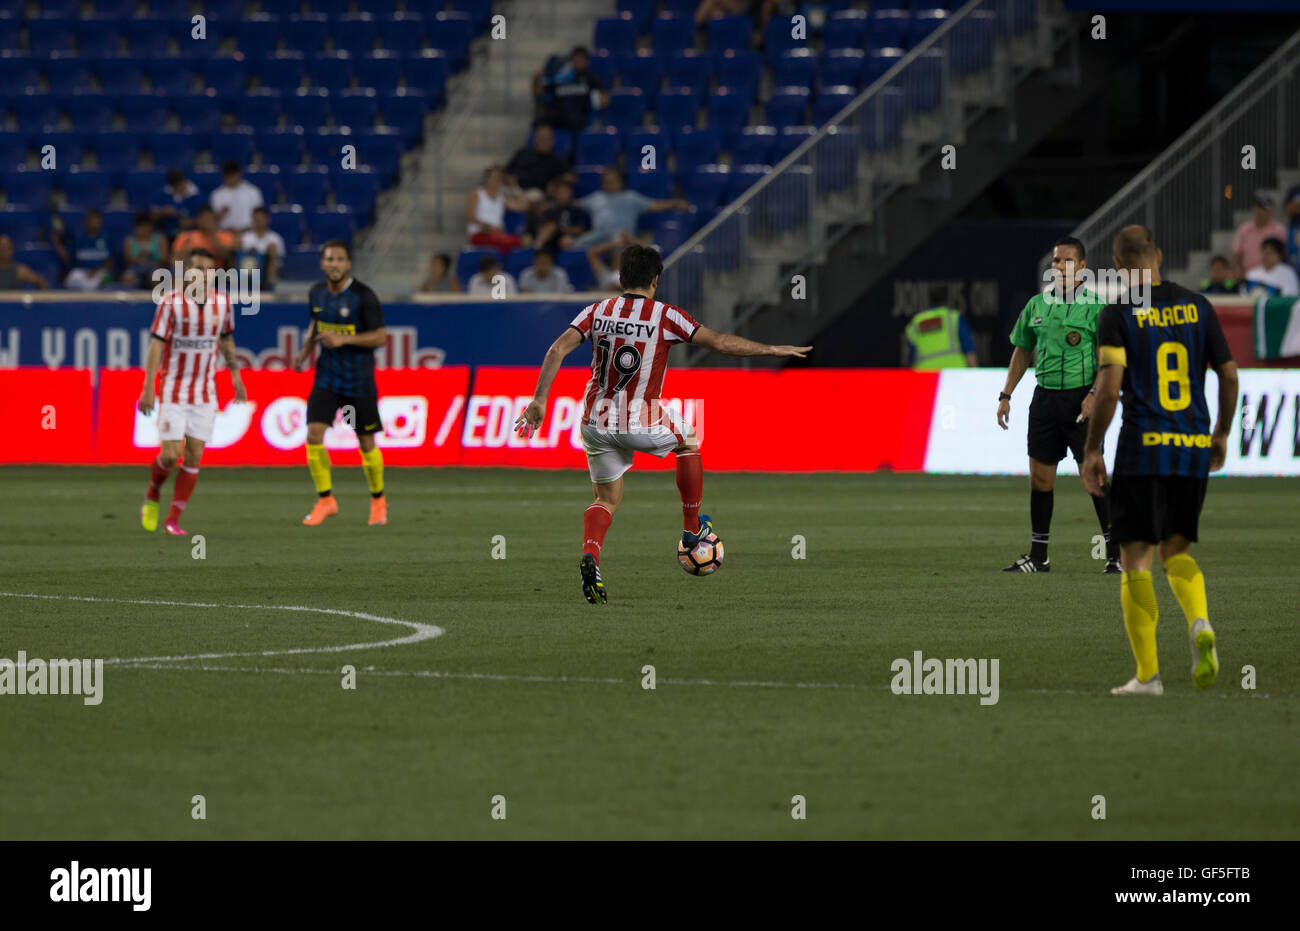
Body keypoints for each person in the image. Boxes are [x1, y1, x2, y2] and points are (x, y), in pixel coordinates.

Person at [513, 243, 811, 605]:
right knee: (688, 440)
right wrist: (769, 350)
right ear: (656, 281)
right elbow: (717, 341)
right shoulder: (666, 315)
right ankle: (690, 531)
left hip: (595, 420)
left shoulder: (597, 310)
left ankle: (591, 554)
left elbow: (556, 350)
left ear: (621, 278)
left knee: (605, 500)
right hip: (640, 417)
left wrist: (540, 400)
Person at [1081, 225, 1238, 696]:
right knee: (1178, 552)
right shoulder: (1200, 306)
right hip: (1191, 446)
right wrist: (1222, 434)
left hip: (1143, 447)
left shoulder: (1117, 314)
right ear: (1160, 255)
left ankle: (1148, 676)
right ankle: (1199, 621)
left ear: (1119, 267)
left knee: (1135, 560)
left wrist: (1092, 450)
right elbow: (1229, 376)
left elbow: (1109, 389)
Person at [997, 236, 1118, 574]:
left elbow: (1107, 361)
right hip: (1045, 399)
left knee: (1093, 476)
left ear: (1081, 267)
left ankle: (1115, 553)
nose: (1059, 267)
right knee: (1040, 479)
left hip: (1081, 399)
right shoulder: (1036, 305)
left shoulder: (1096, 308)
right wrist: (1006, 395)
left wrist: (1094, 394)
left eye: (1066, 261)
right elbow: (1022, 350)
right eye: (1055, 261)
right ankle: (1039, 557)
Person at [138, 248, 247, 536]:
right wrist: (148, 388)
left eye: (208, 270)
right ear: (187, 272)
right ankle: (153, 491)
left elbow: (226, 341)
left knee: (194, 456)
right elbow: (156, 346)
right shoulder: (170, 303)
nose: (202, 274)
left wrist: (236, 377)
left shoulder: (223, 303)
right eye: (196, 268)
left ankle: (173, 519)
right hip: (173, 389)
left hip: (205, 393)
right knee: (172, 456)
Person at [292, 240, 389, 527]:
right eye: (330, 259)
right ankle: (326, 500)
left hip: (358, 382)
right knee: (313, 435)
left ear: (348, 264)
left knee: (366, 442)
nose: (334, 264)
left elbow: (381, 337)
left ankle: (378, 500)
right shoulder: (317, 293)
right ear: (322, 263)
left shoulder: (363, 296)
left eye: (340, 260)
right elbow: (316, 325)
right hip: (327, 379)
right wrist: (303, 352)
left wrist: (344, 339)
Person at [575, 168, 690, 250]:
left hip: (623, 239)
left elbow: (655, 205)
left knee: (621, 247)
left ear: (620, 182)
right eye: (606, 181)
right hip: (598, 237)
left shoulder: (631, 197)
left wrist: (676, 203)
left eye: (612, 181)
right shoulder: (596, 197)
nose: (609, 184)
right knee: (572, 246)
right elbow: (574, 205)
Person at [534, 46, 608, 136]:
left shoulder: (590, 78)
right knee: (540, 124)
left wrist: (599, 102)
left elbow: (604, 98)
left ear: (587, 62)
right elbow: (540, 91)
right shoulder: (561, 77)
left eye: (582, 61)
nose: (579, 63)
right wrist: (536, 79)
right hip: (558, 117)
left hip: (579, 118)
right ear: (572, 61)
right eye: (576, 60)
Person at [466, 165, 530, 255]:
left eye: (500, 178)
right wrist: (490, 227)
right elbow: (470, 217)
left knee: (523, 241)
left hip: (498, 235)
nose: (497, 181)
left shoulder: (501, 198)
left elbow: (523, 207)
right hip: (480, 233)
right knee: (505, 242)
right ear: (486, 178)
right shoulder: (477, 194)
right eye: (494, 177)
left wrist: (514, 187)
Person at [505, 124, 573, 200]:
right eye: (540, 138)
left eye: (546, 138)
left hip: (537, 194)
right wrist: (508, 179)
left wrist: (555, 182)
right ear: (535, 139)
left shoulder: (558, 159)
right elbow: (506, 171)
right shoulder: (523, 153)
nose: (543, 141)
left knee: (534, 197)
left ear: (552, 140)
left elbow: (571, 177)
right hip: (514, 188)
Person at [904, 301, 978, 368]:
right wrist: (975, 374)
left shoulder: (916, 321)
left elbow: (911, 357)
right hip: (953, 373)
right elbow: (969, 349)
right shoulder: (953, 317)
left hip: (925, 374)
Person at [1231, 194, 1286, 280]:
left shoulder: (1279, 230)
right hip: (1248, 276)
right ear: (1254, 209)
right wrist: (1237, 269)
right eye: (1259, 208)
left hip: (1272, 277)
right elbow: (1236, 254)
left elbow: (1282, 254)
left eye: (1264, 209)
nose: (1261, 211)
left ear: (1271, 211)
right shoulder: (1244, 229)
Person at [62, 208, 113, 291]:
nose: (94, 223)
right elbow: (71, 261)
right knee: (73, 275)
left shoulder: (106, 239)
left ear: (100, 222)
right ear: (85, 222)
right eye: (91, 220)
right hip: (82, 274)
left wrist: (96, 271)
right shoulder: (78, 239)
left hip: (99, 273)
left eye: (96, 220)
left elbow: (110, 261)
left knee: (105, 278)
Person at [534, 179, 590, 252]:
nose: (561, 195)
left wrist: (562, 229)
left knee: (565, 240)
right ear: (555, 194)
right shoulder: (550, 210)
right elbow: (543, 227)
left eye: (564, 193)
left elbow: (580, 229)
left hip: (571, 236)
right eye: (559, 193)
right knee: (551, 226)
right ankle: (535, 247)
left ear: (570, 193)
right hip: (553, 236)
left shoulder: (577, 210)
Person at [237, 206, 285, 290]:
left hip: (265, 272)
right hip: (247, 270)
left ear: (267, 219)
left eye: (260, 219)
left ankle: (269, 284)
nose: (258, 222)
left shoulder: (275, 238)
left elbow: (278, 260)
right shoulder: (245, 237)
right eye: (256, 219)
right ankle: (237, 283)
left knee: (272, 250)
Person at [172, 205, 237, 268]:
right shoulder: (185, 236)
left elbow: (225, 256)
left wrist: (211, 232)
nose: (206, 221)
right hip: (191, 274)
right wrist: (186, 250)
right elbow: (174, 261)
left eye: (209, 218)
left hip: (217, 274)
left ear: (214, 219)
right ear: (197, 220)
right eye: (203, 217)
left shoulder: (225, 236)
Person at [210, 159, 263, 234]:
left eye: (232, 175)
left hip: (249, 234)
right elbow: (211, 222)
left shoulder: (253, 192)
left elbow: (260, 218)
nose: (230, 179)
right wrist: (219, 216)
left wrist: (244, 230)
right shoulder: (216, 195)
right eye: (227, 176)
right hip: (225, 235)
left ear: (239, 174)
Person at [122, 211, 169, 288]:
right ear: (136, 228)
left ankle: (156, 298)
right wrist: (139, 258)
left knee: (155, 276)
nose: (144, 229)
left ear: (151, 227)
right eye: (141, 227)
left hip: (154, 267)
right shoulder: (129, 241)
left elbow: (164, 259)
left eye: (146, 226)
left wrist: (151, 259)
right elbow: (127, 260)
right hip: (136, 268)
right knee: (128, 277)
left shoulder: (160, 239)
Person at [152, 168, 203, 239]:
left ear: (184, 181)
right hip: (167, 236)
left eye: (180, 184)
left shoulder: (196, 196)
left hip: (189, 235)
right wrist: (162, 212)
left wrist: (190, 223)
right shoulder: (163, 194)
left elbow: (204, 220)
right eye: (175, 186)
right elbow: (152, 217)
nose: (178, 187)